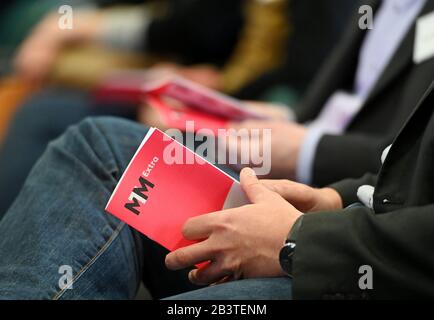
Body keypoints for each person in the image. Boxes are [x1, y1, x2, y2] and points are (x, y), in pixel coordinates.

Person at [1, 82, 434, 299]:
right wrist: (335, 199)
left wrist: (302, 239)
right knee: (101, 149)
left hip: (379, 269)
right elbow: (414, 170)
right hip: (357, 223)